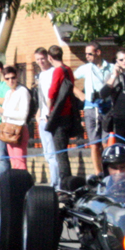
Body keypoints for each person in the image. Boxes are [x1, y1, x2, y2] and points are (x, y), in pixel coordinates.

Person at [74, 41, 115, 175]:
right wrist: (80, 94)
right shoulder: (86, 68)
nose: (87, 56)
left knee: (106, 143)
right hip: (90, 108)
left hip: (107, 108)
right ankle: (98, 174)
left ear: (98, 52)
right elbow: (68, 79)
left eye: (90, 53)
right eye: (86, 54)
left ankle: (108, 171)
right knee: (94, 144)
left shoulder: (111, 67)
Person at [0, 66, 31, 170]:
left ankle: (23, 186)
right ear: (4, 79)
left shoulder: (23, 91)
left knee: (20, 163)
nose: (11, 81)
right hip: (8, 130)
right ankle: (15, 186)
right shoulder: (9, 93)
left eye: (13, 77)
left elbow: (23, 115)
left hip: (19, 130)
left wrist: (3, 111)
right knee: (14, 163)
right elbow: (5, 115)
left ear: (17, 77)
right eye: (7, 78)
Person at [46, 45, 77, 184]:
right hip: (69, 114)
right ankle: (66, 181)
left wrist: (48, 111)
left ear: (50, 57)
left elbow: (52, 92)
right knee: (63, 150)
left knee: (60, 153)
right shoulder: (68, 69)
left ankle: (65, 183)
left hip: (59, 115)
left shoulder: (58, 71)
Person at [33, 47, 59, 188]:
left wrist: (49, 113)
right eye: (37, 59)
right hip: (43, 117)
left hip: (52, 117)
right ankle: (53, 181)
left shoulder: (54, 72)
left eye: (42, 58)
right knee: (47, 153)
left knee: (53, 152)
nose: (40, 62)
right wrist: (39, 114)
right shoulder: (40, 75)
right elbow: (41, 98)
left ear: (48, 58)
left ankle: (56, 183)